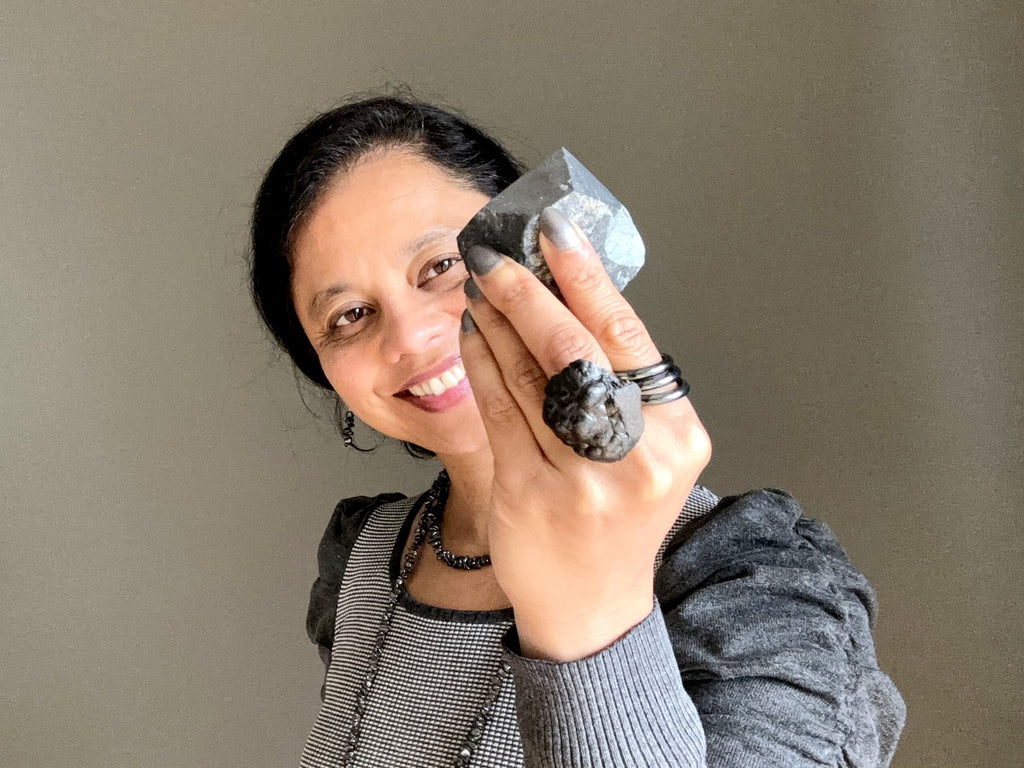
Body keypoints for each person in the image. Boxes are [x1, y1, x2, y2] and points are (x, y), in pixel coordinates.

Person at [249, 96, 905, 768]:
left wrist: (587, 621)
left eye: (443, 266)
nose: (411, 337)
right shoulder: (362, 562)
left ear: (543, 250)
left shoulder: (752, 583)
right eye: (351, 314)